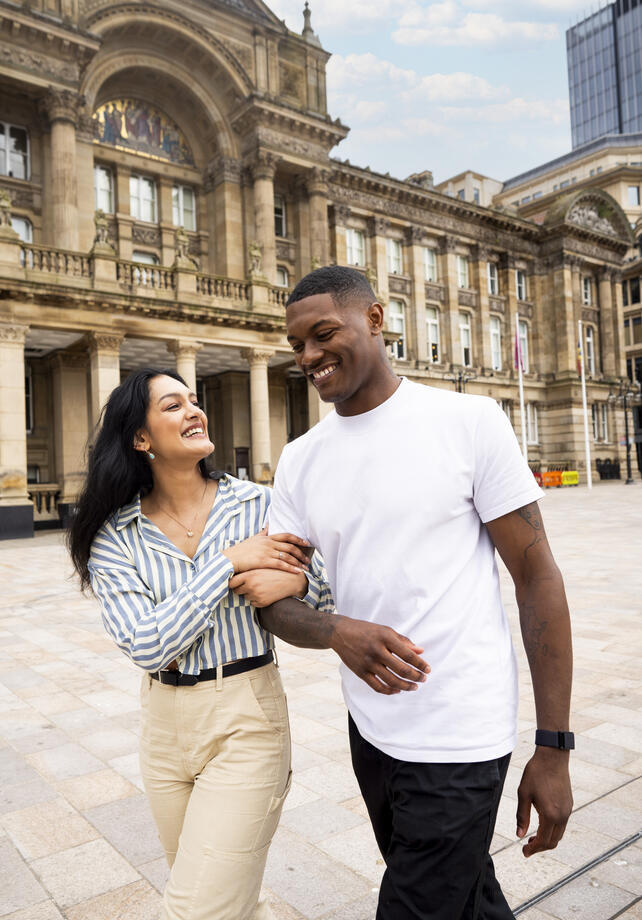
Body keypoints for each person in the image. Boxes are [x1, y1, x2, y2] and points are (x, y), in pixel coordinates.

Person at [259, 266, 574, 920]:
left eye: (323, 334)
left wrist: (553, 747)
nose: (309, 355)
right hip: (372, 735)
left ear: (375, 319)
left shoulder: (467, 422)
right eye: (297, 345)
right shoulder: (300, 461)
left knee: (414, 906)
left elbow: (538, 578)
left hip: (461, 732)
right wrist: (336, 631)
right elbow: (275, 598)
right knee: (465, 902)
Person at [68, 367, 332, 920]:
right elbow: (146, 644)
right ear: (141, 439)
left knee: (197, 907)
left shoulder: (258, 506)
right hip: (163, 730)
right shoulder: (115, 536)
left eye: (194, 400)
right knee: (225, 900)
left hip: (247, 718)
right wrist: (227, 563)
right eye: (172, 406)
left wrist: (301, 582)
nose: (194, 411)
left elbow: (327, 590)